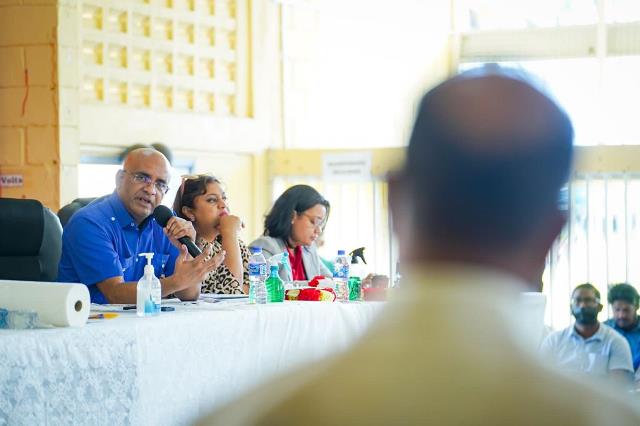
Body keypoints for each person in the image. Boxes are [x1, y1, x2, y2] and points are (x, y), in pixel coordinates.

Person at [199, 69, 640, 424]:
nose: (317, 230)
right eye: (313, 221)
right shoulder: (607, 416)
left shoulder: (251, 414)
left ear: (394, 199)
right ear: (554, 233)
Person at [58, 148, 224, 304]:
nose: (151, 190)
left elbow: (188, 295)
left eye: (160, 184)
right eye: (142, 177)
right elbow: (114, 293)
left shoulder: (164, 222)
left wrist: (186, 252)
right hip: (90, 321)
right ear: (119, 179)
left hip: (140, 319)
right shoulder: (89, 223)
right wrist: (175, 282)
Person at [541, 283, 633, 388]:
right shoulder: (553, 341)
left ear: (600, 307)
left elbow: (618, 388)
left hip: (599, 398)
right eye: (578, 301)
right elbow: (540, 378)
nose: (582, 306)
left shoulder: (616, 342)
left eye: (588, 301)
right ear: (571, 308)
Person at [173, 174, 250, 294]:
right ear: (189, 212)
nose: (223, 204)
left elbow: (259, 288)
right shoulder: (186, 248)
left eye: (224, 198)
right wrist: (229, 232)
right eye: (212, 200)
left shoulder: (236, 243)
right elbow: (230, 293)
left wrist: (230, 235)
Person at [250, 185, 332, 281]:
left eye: (321, 224)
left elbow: (330, 281)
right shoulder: (265, 248)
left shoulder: (308, 249)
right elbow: (263, 287)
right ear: (292, 216)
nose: (319, 230)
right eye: (314, 221)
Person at [605, 283, 640, 372]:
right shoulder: (604, 330)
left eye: (626, 310)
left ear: (637, 306)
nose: (621, 315)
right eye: (617, 310)